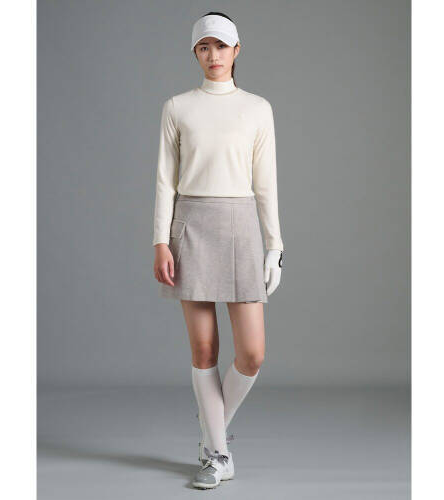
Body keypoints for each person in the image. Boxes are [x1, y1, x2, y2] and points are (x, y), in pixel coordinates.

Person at [152, 11, 284, 489]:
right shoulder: (177, 107)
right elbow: (165, 181)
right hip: (191, 225)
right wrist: (160, 240)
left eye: (222, 46)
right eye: (204, 47)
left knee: (252, 353)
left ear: (236, 50)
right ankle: (218, 454)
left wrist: (275, 245)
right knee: (205, 347)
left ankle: (211, 429)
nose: (213, 55)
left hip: (241, 226)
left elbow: (265, 183)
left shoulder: (258, 109)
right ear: (195, 52)